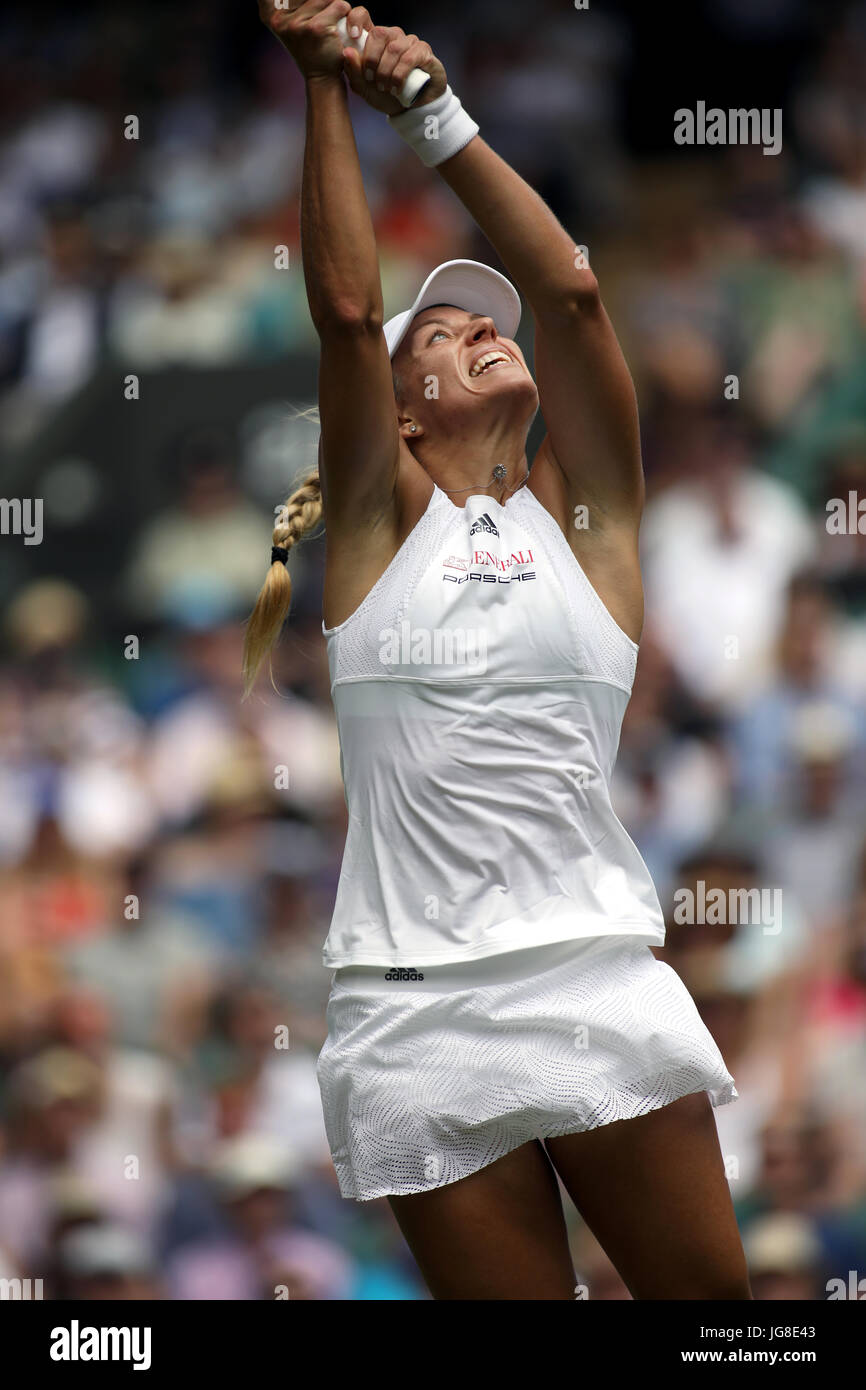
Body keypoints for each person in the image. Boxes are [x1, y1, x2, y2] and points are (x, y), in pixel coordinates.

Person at [243, 0, 752, 1301]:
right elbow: (349, 312)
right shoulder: (367, 533)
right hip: (413, 1017)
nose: (476, 326)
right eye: (442, 334)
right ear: (400, 416)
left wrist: (430, 113)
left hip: (592, 981)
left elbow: (573, 291)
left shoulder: (594, 539)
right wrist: (320, 91)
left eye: (482, 319)